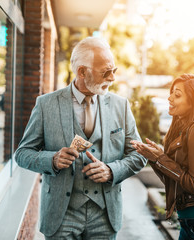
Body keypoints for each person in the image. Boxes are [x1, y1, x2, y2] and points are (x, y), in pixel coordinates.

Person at [15, 37, 147, 239]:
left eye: (114, 70)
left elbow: (139, 156)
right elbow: (22, 154)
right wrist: (51, 160)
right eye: (106, 72)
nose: (112, 78)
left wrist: (112, 171)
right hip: (61, 215)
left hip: (104, 214)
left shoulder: (121, 106)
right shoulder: (46, 105)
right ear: (82, 72)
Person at [131, 74, 194, 240]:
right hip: (191, 225)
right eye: (172, 92)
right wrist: (154, 158)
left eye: (177, 95)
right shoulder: (183, 129)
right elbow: (173, 181)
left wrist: (160, 159)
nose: (170, 97)